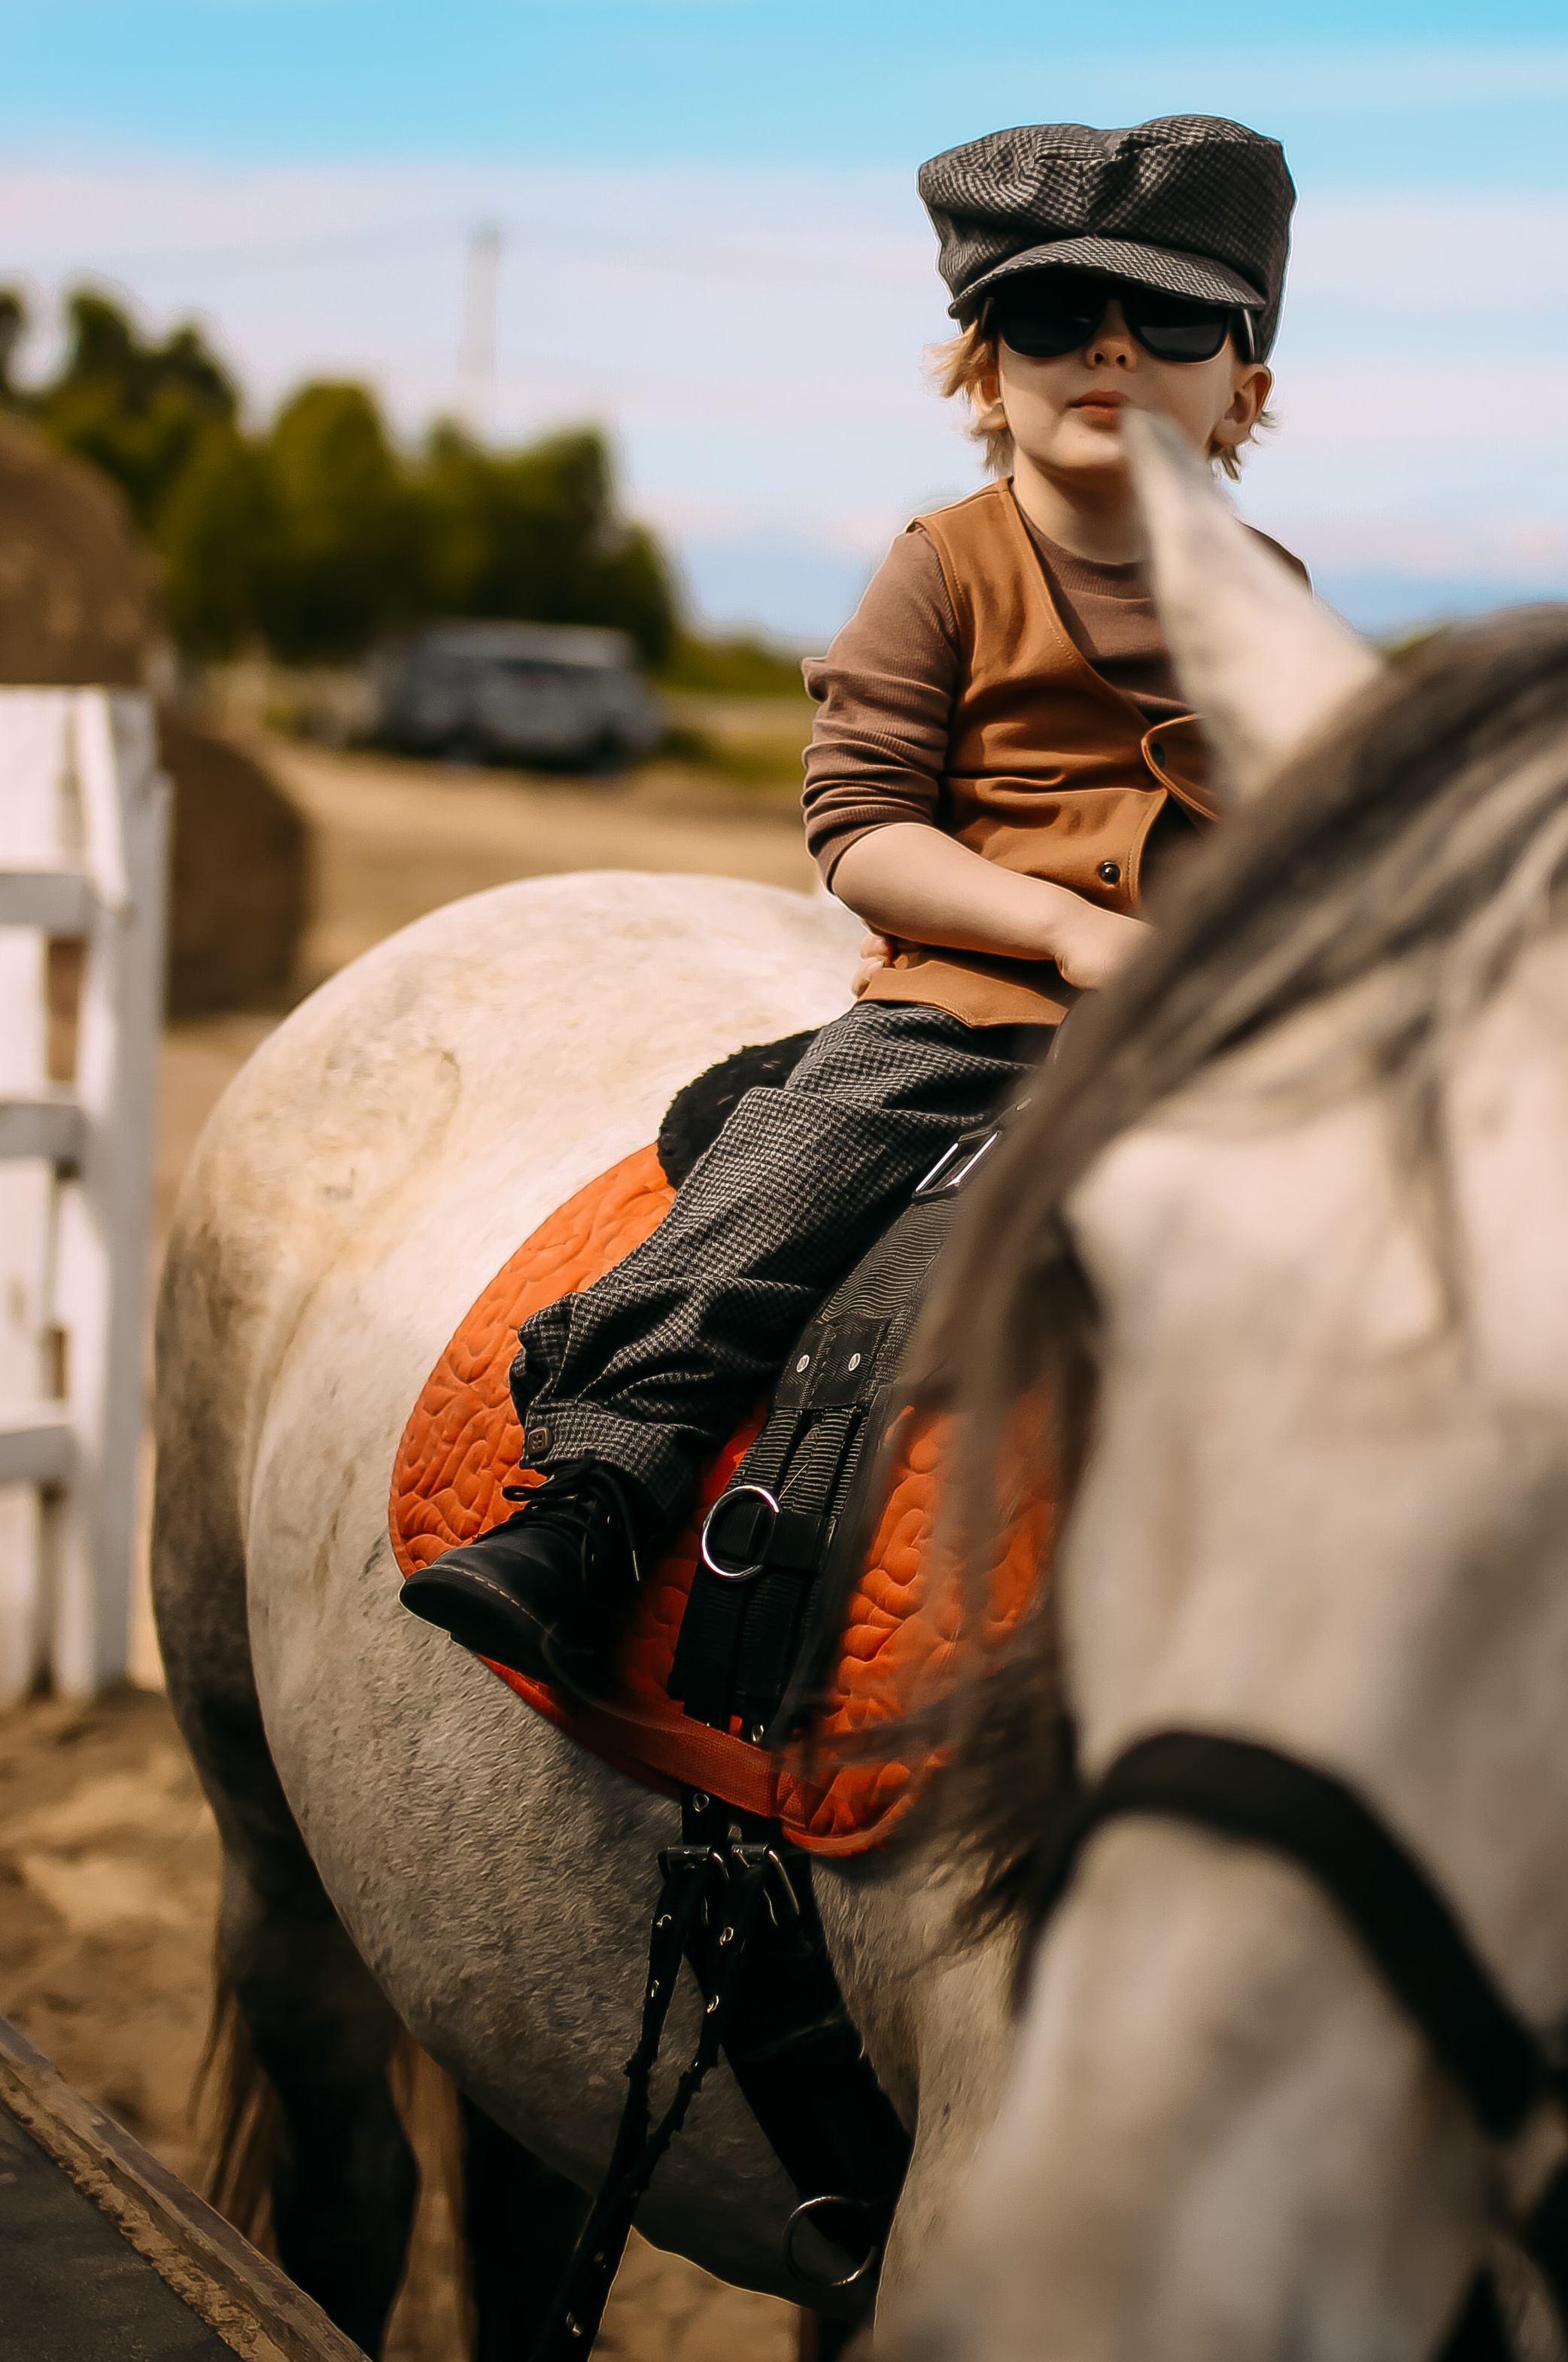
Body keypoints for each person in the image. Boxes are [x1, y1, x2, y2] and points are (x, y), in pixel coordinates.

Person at [404, 114, 1305, 1703]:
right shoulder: (945, 569)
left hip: (1205, 1019)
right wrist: (1061, 928)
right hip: (969, 1009)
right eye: (1054, 314)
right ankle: (596, 1497)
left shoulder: (1271, 597)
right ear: (986, 370)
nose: (1109, 345)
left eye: (1172, 319)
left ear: (1242, 385)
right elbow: (862, 824)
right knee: (792, 1171)